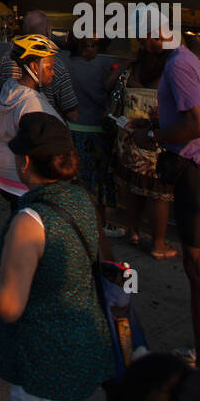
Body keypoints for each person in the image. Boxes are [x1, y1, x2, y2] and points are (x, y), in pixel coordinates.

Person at [0, 111, 116, 401]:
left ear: (25, 163)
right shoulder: (81, 198)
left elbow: (9, 307)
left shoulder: (30, 222)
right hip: (84, 347)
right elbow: (105, 261)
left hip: (44, 362)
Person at [130, 26, 200, 381]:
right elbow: (190, 115)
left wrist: (152, 135)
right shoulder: (186, 59)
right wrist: (156, 122)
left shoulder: (177, 64)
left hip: (197, 174)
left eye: (143, 39)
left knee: (199, 271)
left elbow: (196, 124)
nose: (140, 47)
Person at [107, 42, 176, 258]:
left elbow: (108, 86)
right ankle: (158, 244)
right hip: (155, 146)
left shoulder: (132, 70)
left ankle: (133, 231)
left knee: (133, 189)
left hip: (127, 143)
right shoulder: (169, 74)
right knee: (159, 196)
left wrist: (127, 63)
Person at [0, 35, 62, 210]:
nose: (53, 73)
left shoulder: (11, 85)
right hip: (20, 179)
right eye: (50, 68)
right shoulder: (32, 105)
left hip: (0, 171)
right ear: (33, 67)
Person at [66, 33, 122, 250]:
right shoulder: (92, 69)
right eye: (92, 45)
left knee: (79, 181)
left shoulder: (66, 64)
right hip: (93, 130)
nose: (96, 50)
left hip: (73, 128)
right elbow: (101, 96)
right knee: (95, 185)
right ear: (84, 48)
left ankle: (79, 220)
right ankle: (98, 225)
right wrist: (119, 71)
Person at [0, 10, 79, 121]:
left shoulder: (7, 58)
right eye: (50, 69)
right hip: (45, 132)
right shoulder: (55, 65)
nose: (52, 72)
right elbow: (73, 115)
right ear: (47, 31)